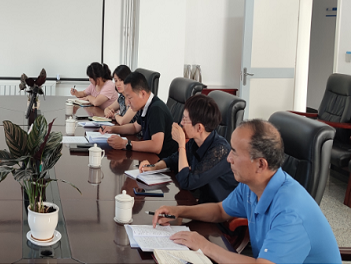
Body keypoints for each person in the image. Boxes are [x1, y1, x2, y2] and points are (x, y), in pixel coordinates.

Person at [152, 119, 341, 264]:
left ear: (260, 164)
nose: (228, 158)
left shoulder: (290, 212)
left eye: (234, 152)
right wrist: (179, 211)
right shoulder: (251, 185)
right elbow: (220, 210)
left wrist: (204, 246)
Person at [138, 94, 237, 203]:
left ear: (199, 128)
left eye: (185, 119)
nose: (181, 123)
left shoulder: (220, 151)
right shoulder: (195, 141)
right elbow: (174, 159)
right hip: (201, 201)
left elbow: (187, 182)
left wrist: (181, 144)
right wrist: (154, 167)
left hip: (220, 208)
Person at [101, 71, 178, 158]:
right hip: (151, 157)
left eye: (130, 98)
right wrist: (112, 129)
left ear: (142, 94)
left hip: (163, 161)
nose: (128, 102)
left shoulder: (156, 109)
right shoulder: (144, 106)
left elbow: (156, 146)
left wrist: (125, 144)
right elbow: (134, 127)